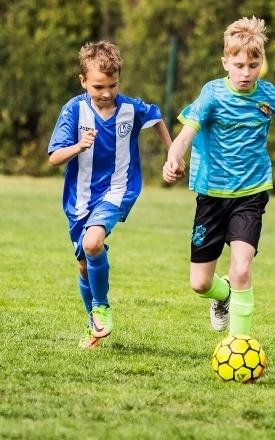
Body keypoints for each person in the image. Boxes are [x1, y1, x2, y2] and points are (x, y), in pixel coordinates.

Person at [163, 16, 275, 338]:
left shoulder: (270, 96)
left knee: (242, 269)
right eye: (239, 65)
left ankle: (239, 342)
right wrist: (173, 157)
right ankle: (223, 297)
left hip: (252, 191)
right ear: (225, 63)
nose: (246, 73)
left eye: (253, 64)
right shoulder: (212, 95)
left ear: (262, 63)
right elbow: (187, 133)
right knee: (200, 283)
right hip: (212, 194)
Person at [48, 40, 177, 349]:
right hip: (79, 198)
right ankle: (94, 326)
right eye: (98, 86)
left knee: (93, 243)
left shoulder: (130, 108)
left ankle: (101, 306)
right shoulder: (74, 110)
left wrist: (173, 154)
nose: (106, 92)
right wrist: (79, 146)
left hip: (120, 188)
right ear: (83, 81)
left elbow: (156, 118)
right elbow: (54, 157)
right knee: (83, 264)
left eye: (112, 85)